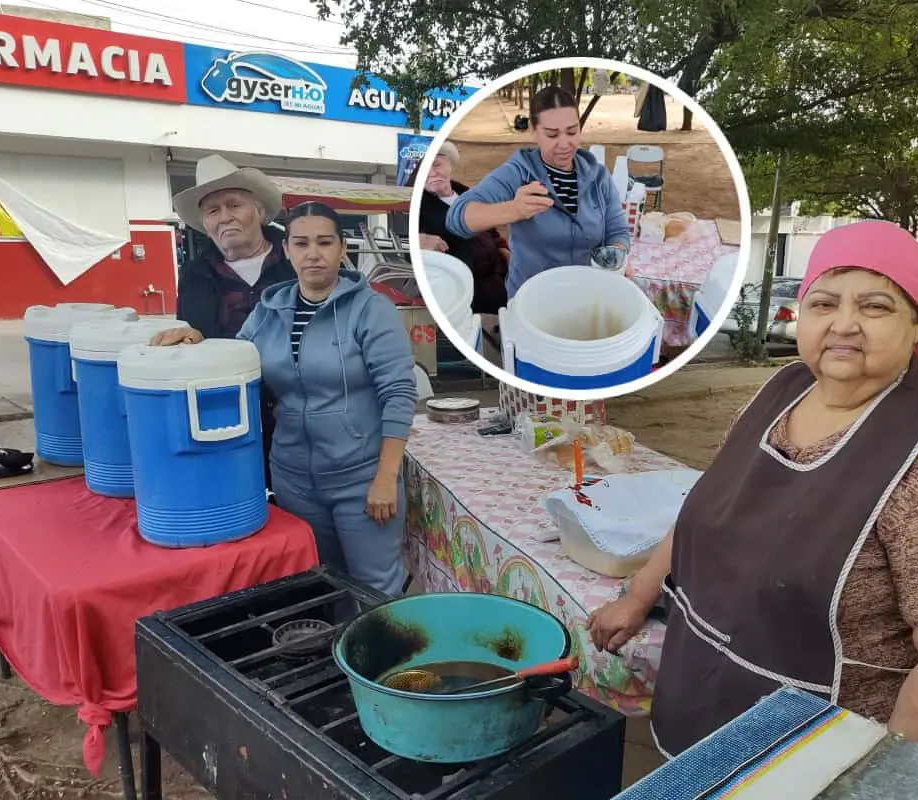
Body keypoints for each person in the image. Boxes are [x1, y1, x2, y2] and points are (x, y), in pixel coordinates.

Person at [587, 220, 918, 771]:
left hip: (851, 746)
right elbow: (708, 507)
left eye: (874, 307)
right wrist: (637, 596)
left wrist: (882, 784)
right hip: (724, 705)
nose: (844, 325)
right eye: (824, 303)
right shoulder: (783, 389)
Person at [151, 201, 418, 596]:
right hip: (294, 479)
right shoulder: (270, 308)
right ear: (287, 251)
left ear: (343, 249)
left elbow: (398, 391)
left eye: (325, 242)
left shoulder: (370, 309)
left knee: (375, 585)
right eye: (302, 243)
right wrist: (198, 342)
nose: (314, 254)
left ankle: (382, 659)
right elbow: (238, 360)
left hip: (360, 476)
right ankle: (338, 655)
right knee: (323, 582)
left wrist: (385, 478)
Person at [171, 155, 297, 487]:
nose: (224, 217)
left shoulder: (296, 260)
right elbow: (195, 341)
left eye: (234, 205)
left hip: (300, 409)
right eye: (213, 210)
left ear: (258, 211)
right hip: (230, 410)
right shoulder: (196, 275)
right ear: (205, 223)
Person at [445, 85, 630, 298]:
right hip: (532, 299)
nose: (564, 144)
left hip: (587, 295)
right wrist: (514, 209)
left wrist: (615, 256)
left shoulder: (598, 176)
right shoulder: (517, 174)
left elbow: (617, 229)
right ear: (533, 130)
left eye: (572, 132)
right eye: (552, 134)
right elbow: (457, 217)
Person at [413, 141, 510, 315]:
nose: (431, 172)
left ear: (450, 166)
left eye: (437, 164)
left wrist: (504, 251)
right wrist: (418, 242)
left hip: (498, 287)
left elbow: (492, 232)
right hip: (460, 297)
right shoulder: (417, 206)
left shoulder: (470, 196)